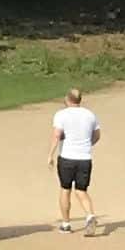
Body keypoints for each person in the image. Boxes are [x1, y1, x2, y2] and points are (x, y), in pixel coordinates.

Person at [50, 87, 101, 235]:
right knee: (81, 191)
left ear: (68, 99)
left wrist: (50, 154)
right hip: (84, 158)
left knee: (65, 189)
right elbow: (97, 135)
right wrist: (87, 145)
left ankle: (66, 224)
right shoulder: (90, 115)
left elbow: (57, 135)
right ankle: (90, 215)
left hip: (67, 158)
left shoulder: (61, 115)